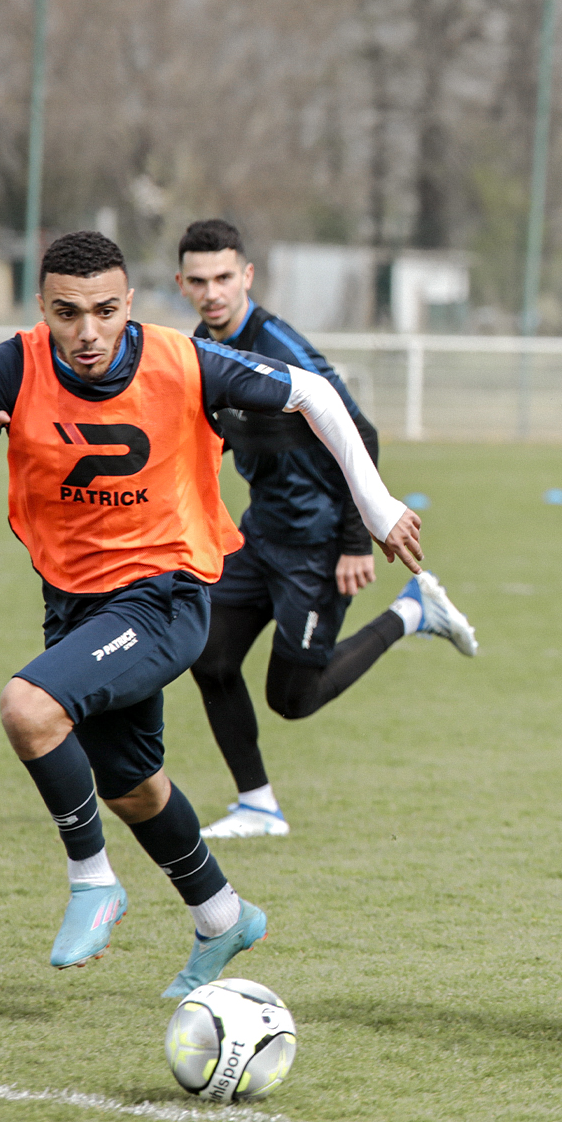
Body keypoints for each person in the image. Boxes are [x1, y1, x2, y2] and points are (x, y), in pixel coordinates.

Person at [0, 231, 423, 996]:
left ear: (131, 303)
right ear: (43, 308)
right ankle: (223, 916)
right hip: (75, 607)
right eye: (67, 313)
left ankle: (93, 882)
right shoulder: (12, 365)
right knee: (133, 787)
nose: (87, 332)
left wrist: (376, 507)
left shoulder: (182, 361)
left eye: (106, 311)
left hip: (167, 593)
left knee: (28, 709)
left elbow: (316, 394)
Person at [175, 219, 476, 840]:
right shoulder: (196, 352)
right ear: (181, 284)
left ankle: (412, 613)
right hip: (260, 536)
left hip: (317, 545)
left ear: (247, 277)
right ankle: (257, 804)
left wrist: (350, 539)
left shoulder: (279, 345)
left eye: (224, 277)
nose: (213, 293)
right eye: (199, 281)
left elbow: (358, 430)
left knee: (292, 699)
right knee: (208, 657)